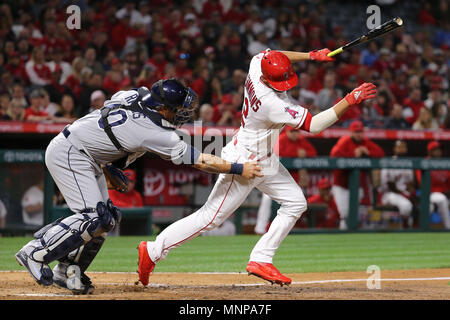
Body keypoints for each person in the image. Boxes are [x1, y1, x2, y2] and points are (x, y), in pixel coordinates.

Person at [137, 48, 377, 287]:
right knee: (210, 217)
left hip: (265, 157)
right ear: (269, 79)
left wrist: (311, 56)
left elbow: (272, 53)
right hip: (245, 160)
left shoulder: (256, 65)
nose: (285, 85)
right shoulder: (271, 103)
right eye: (280, 80)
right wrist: (350, 100)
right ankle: (154, 250)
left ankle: (261, 258)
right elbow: (314, 125)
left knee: (295, 202)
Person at [15, 79, 262, 294]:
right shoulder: (156, 133)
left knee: (108, 218)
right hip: (70, 153)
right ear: (164, 108)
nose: (183, 114)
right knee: (92, 218)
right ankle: (35, 251)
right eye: (178, 110)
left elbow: (107, 119)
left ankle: (68, 270)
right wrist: (239, 168)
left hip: (88, 153)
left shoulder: (135, 94)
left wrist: (107, 163)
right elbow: (202, 160)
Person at [254, 126, 318, 235]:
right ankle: (260, 229)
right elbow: (276, 155)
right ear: (287, 131)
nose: (294, 134)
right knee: (267, 200)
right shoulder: (281, 139)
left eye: (296, 131)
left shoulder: (301, 140)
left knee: (298, 203)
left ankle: (287, 230)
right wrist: (296, 154)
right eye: (292, 131)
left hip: (293, 181)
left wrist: (305, 154)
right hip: (275, 180)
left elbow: (313, 153)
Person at [330, 120, 385, 230]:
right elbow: (333, 155)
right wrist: (352, 154)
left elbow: (380, 153)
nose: (358, 134)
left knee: (353, 212)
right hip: (341, 185)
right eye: (356, 132)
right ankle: (343, 234)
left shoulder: (365, 142)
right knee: (344, 213)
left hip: (356, 185)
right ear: (351, 132)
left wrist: (368, 152)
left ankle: (352, 235)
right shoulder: (344, 141)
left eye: (360, 132)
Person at [379, 140, 416, 228]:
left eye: (404, 147)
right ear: (394, 149)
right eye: (399, 147)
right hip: (388, 194)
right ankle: (405, 228)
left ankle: (416, 227)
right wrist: (405, 195)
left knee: (424, 204)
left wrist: (412, 194)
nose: (402, 149)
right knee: (406, 205)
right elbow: (388, 185)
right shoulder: (388, 162)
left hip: (403, 193)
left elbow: (410, 183)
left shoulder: (408, 163)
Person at [416, 141, 450, 229]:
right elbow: (422, 183)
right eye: (435, 150)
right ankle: (448, 228)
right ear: (429, 152)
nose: (438, 152)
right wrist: (443, 191)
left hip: (444, 193)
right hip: (430, 194)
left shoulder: (444, 163)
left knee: (443, 199)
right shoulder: (424, 163)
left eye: (439, 149)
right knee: (442, 199)